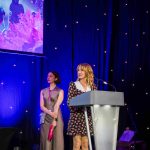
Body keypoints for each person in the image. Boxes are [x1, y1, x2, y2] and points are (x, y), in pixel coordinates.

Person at [67, 63, 97, 150]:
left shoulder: (92, 87)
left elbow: (95, 102)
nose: (79, 72)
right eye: (78, 70)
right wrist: (80, 105)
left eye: (82, 70)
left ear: (88, 72)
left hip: (88, 117)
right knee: (77, 143)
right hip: (77, 117)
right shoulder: (73, 85)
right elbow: (69, 102)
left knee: (85, 144)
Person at [40, 71, 64, 150]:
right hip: (45, 116)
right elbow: (41, 106)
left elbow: (57, 105)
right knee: (45, 139)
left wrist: (54, 119)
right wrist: (49, 112)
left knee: (57, 139)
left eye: (51, 76)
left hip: (56, 116)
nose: (48, 77)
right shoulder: (43, 91)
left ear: (55, 78)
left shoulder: (60, 91)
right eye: (48, 76)